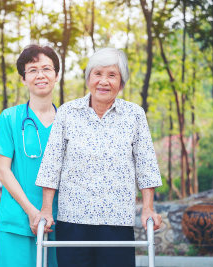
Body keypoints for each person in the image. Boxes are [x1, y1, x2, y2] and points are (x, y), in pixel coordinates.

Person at [34, 47, 163, 267]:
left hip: (117, 220)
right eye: (98, 74)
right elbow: (51, 164)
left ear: (121, 83)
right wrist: (46, 210)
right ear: (88, 79)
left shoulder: (134, 115)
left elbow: (146, 165)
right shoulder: (67, 113)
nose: (104, 81)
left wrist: (148, 207)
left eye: (112, 75)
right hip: (73, 219)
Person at [0, 44, 60, 267]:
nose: (41, 75)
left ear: (57, 75)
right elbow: (2, 169)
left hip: (60, 222)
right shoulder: (10, 118)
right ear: (23, 78)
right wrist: (31, 212)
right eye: (33, 70)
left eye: (47, 69)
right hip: (17, 221)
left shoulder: (68, 120)